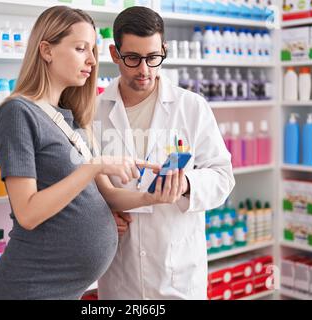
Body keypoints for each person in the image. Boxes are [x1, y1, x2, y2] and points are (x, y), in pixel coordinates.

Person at [0, 6, 186, 300]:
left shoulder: (70, 119)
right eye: (81, 48)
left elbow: (108, 195)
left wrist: (150, 197)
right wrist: (93, 167)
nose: (92, 61)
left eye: (92, 50)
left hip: (68, 289)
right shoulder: (18, 113)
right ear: (46, 50)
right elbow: (27, 213)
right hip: (31, 287)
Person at [95, 6, 236, 300]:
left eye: (153, 57)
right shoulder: (94, 111)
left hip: (178, 275)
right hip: (120, 275)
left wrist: (186, 185)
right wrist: (102, 214)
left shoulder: (191, 107)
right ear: (114, 53)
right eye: (132, 58)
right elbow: (84, 183)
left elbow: (223, 177)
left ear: (164, 50)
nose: (144, 69)